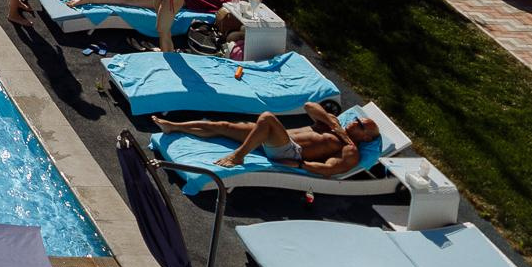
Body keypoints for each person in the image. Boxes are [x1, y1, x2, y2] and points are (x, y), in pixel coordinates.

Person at [160, 101, 379, 174]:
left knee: (266, 118)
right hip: (276, 139)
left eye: (360, 125)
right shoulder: (333, 122)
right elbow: (309, 106)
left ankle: (238, 156)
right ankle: (173, 126)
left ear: (367, 139)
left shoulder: (351, 150)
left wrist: (301, 164)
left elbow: (331, 169)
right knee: (223, 126)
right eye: (357, 119)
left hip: (290, 151)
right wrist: (333, 124)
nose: (354, 122)